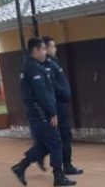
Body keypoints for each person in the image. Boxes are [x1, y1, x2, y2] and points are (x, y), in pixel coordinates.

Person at [11, 38, 76, 186]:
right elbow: (41, 93)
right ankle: (58, 176)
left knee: (45, 145)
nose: (45, 52)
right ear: (35, 50)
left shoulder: (34, 66)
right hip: (41, 113)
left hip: (40, 112)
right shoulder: (33, 68)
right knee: (56, 142)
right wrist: (52, 112)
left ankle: (21, 167)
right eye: (43, 49)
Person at [39, 36, 83, 175]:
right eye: (52, 46)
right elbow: (51, 86)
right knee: (62, 136)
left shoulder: (54, 62)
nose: (55, 48)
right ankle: (64, 165)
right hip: (57, 105)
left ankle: (62, 163)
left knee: (62, 136)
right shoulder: (46, 66)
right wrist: (64, 93)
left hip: (61, 105)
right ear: (45, 49)